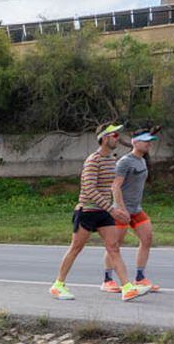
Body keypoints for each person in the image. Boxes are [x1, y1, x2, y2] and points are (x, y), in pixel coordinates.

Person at [49, 122, 150, 302]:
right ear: (104, 138)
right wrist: (113, 209)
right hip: (87, 211)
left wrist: (115, 208)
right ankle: (58, 285)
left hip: (104, 213)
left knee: (114, 247)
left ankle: (127, 287)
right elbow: (89, 189)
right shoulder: (93, 160)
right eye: (114, 135)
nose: (117, 138)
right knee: (76, 248)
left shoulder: (112, 160)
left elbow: (112, 187)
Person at [102, 129, 160, 292]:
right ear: (135, 142)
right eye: (145, 141)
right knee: (114, 245)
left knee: (147, 238)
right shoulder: (125, 162)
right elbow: (115, 186)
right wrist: (121, 209)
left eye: (150, 141)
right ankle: (107, 280)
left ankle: (140, 278)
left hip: (136, 210)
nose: (149, 144)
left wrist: (132, 209)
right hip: (121, 211)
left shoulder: (142, 161)